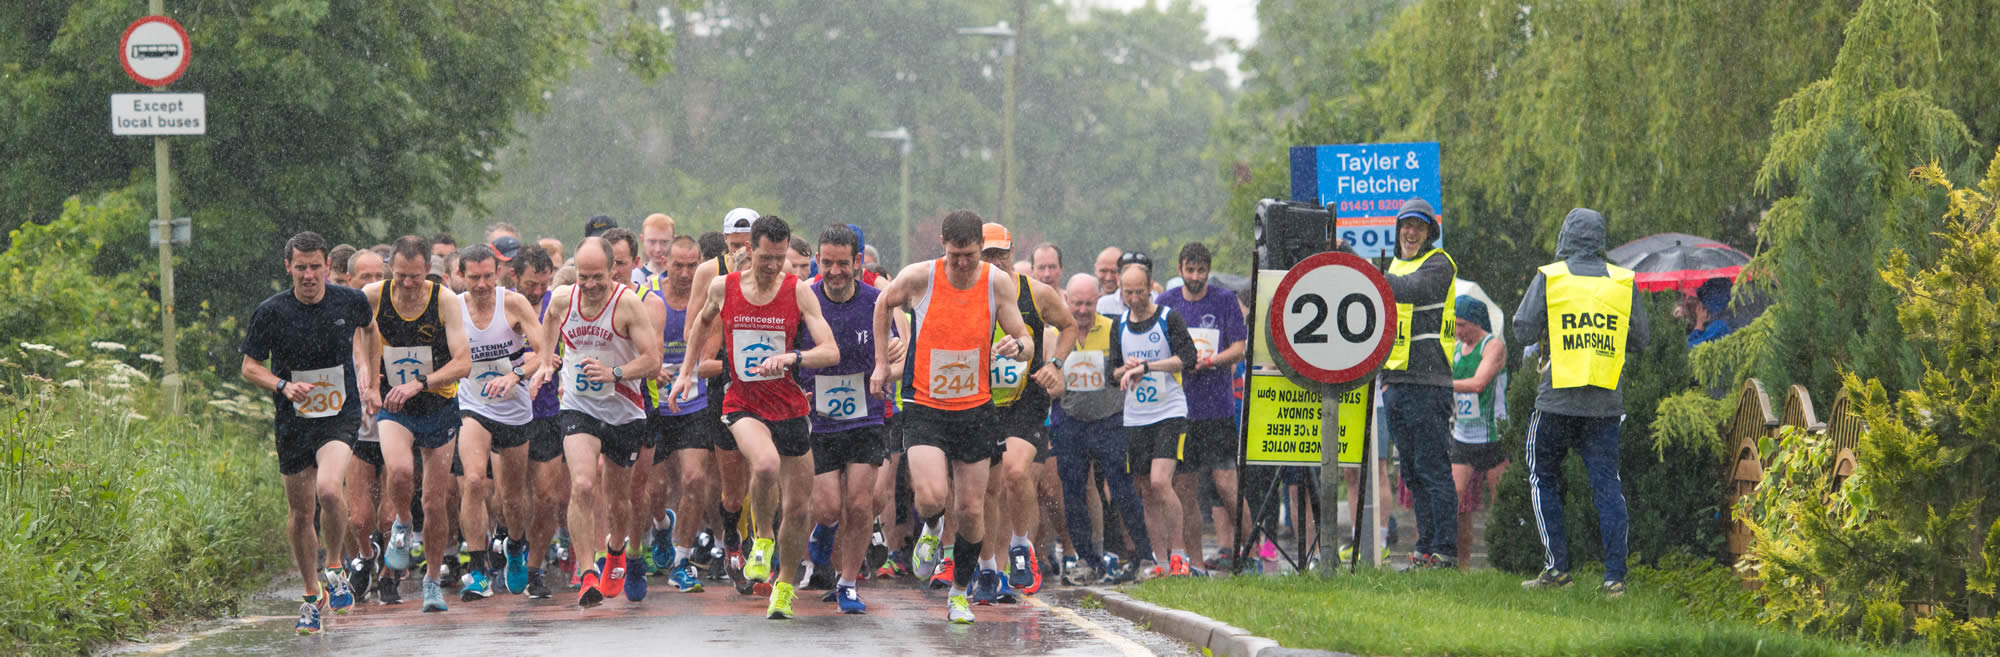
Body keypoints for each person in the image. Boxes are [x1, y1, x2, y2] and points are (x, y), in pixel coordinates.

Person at [670, 215, 840, 620]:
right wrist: (684, 372)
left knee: (799, 511)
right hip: (742, 401)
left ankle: (783, 586)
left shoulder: (798, 292)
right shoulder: (723, 287)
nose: (772, 265)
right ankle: (761, 538)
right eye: (766, 256)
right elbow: (699, 326)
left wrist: (792, 357)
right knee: (764, 464)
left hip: (789, 406)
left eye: (780, 258)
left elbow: (830, 351)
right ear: (748, 250)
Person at [869, 210, 1034, 624]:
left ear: (981, 248)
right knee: (930, 497)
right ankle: (930, 529)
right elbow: (881, 303)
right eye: (956, 254)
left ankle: (959, 592)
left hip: (975, 409)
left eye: (971, 255)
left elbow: (1026, 340)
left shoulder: (996, 283)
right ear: (942, 244)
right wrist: (878, 363)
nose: (963, 263)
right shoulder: (919, 277)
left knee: (973, 512)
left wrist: (1018, 347)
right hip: (925, 404)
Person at [1511, 208, 1648, 597]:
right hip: (1605, 404)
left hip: (1555, 400)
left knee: (1543, 477)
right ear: (1601, 239)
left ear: (1565, 236)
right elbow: (1640, 338)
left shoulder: (1551, 277)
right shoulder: (1622, 281)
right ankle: (1615, 578)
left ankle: (1557, 570)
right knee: (1608, 486)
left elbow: (1521, 329)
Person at [240, 231, 370, 634]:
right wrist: (282, 385)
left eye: (316, 267)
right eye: (301, 267)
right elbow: (249, 366)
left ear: (328, 267)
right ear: (288, 268)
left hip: (339, 414)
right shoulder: (271, 311)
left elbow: (370, 330)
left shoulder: (350, 301)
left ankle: (334, 567)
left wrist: (371, 378)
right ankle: (312, 595)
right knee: (301, 514)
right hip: (294, 418)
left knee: (330, 489)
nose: (309, 275)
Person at [527, 236, 662, 608]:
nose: (589, 285)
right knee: (583, 484)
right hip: (578, 405)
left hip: (624, 410)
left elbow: (652, 361)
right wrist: (545, 360)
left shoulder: (628, 304)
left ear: (613, 270)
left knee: (619, 501)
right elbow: (550, 321)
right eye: (583, 277)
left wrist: (614, 372)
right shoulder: (562, 298)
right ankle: (588, 573)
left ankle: (616, 551)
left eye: (597, 277)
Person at [361, 235, 474, 613]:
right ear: (390, 266)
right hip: (395, 403)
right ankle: (404, 525)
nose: (407, 284)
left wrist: (420, 383)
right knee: (400, 472)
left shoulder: (442, 300)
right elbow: (359, 339)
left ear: (428, 270)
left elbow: (463, 363)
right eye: (401, 275)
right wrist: (370, 380)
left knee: (436, 501)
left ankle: (431, 582)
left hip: (436, 402)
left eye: (415, 276)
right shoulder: (374, 295)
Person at [798, 224, 906, 613]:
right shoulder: (805, 300)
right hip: (818, 417)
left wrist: (888, 366)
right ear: (818, 262)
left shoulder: (878, 302)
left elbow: (897, 358)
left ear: (858, 262)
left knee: (860, 505)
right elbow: (790, 352)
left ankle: (847, 583)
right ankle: (824, 529)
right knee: (827, 506)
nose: (835, 271)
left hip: (866, 415)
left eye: (843, 263)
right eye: (826, 263)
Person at [1348, 198, 1461, 569]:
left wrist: (1358, 264)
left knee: (1433, 468)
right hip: (1396, 384)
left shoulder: (1439, 264)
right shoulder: (1394, 266)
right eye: (1405, 226)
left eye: (1419, 227)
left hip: (1429, 383)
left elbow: (1410, 290)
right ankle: (1426, 548)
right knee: (1411, 472)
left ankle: (1445, 551)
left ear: (1430, 233)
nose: (1411, 232)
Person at [976, 223, 1076, 602]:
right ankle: (994, 569)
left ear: (1012, 251)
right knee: (989, 489)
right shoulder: (968, 293)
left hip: (1027, 402)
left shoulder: (1035, 293)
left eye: (1000, 253)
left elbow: (1068, 326)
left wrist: (1055, 364)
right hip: (983, 402)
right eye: (986, 255)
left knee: (1016, 473)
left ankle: (1022, 548)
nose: (994, 261)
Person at [452, 245, 551, 600]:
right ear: (460, 275)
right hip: (473, 404)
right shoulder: (453, 306)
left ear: (499, 274)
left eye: (487, 276)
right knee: (475, 480)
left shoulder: (513, 303)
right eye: (473, 277)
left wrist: (515, 376)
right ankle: (477, 570)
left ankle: (514, 544)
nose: (481, 284)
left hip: (513, 408)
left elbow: (544, 351)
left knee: (511, 498)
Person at [1054, 274, 1155, 585]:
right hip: (1070, 420)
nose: (1082, 310)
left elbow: (1133, 366)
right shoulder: (1056, 332)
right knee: (1073, 493)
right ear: (1066, 302)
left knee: (1123, 490)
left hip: (1110, 420)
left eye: (1088, 303)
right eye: (1076, 304)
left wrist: (1130, 369)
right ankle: (1086, 559)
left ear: (1098, 300)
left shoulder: (1115, 328)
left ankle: (1143, 557)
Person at [1156, 242, 1247, 572]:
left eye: (1201, 270)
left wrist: (1211, 361)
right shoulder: (1166, 303)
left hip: (1217, 407)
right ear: (1179, 269)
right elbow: (1157, 346)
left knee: (1227, 484)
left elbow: (1239, 347)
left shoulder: (1224, 300)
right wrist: (1179, 362)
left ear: (1208, 270)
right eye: (1190, 270)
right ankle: (1193, 562)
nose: (1195, 276)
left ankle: (1246, 552)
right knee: (1185, 488)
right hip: (1179, 409)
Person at [639, 236, 723, 594]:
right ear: (664, 262)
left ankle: (682, 560)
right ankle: (660, 526)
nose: (687, 273)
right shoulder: (647, 296)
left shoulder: (709, 298)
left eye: (693, 266)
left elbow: (710, 350)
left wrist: (690, 371)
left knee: (693, 481)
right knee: (654, 488)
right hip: (655, 404)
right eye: (679, 265)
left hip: (693, 402)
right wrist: (651, 368)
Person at [1110, 263, 1197, 578]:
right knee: (1146, 489)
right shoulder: (1119, 323)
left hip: (1169, 412)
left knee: (1162, 482)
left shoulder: (1167, 318)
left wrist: (1148, 366)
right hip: (1136, 416)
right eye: (1127, 292)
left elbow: (1188, 358)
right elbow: (1113, 371)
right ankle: (1159, 561)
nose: (1133, 298)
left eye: (1139, 291)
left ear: (1151, 288)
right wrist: (1126, 370)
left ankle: (1179, 554)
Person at [338, 248, 397, 605]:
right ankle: (365, 555)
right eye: (365, 278)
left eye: (380, 277)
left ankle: (390, 573)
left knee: (390, 515)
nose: (374, 285)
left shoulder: (397, 319)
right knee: (359, 517)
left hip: (394, 426)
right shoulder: (338, 322)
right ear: (349, 281)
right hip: (354, 432)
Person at [509, 245, 566, 599]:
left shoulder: (556, 307)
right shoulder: (502, 307)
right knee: (511, 497)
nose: (537, 291)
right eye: (531, 284)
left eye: (544, 284)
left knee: (546, 497)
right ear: (515, 278)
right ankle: (512, 544)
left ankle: (535, 566)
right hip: (508, 412)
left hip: (548, 412)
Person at [1448, 295, 1508, 568]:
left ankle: (1503, 563)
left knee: (1502, 506)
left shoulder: (1493, 346)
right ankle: (1462, 566)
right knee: (1455, 502)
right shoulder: (1456, 347)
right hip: (1463, 438)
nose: (1458, 332)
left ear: (1476, 322)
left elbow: (1478, 384)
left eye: (1462, 325)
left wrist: (1440, 384)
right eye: (1455, 325)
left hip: (1494, 438)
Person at [634, 213, 676, 287]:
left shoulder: (682, 278)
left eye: (664, 242)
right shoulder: (633, 276)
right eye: (652, 241)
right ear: (642, 239)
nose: (658, 249)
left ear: (674, 240)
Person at [1093, 247, 1125, 315]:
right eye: (1103, 271)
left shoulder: (1133, 302)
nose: (1108, 278)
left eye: (1114, 271)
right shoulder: (1086, 299)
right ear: (1095, 269)